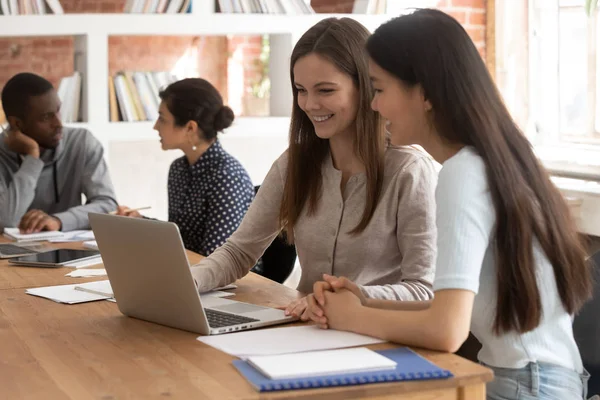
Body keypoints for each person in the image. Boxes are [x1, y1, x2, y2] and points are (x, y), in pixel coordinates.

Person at [309, 9, 593, 400]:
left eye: (379, 89)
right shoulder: (496, 161)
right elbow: (453, 305)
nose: (373, 107)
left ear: (424, 93)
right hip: (542, 380)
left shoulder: (463, 173)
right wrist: (367, 298)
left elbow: (447, 330)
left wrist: (352, 317)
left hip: (526, 387)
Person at [190, 17, 438, 318]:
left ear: (367, 88)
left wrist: (340, 298)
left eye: (325, 90)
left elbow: (422, 289)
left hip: (381, 337)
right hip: (308, 332)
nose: (309, 104)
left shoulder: (410, 171)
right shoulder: (294, 163)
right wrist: (189, 280)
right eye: (301, 89)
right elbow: (239, 252)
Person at [116, 78, 254, 257]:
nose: (155, 126)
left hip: (228, 281)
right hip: (191, 273)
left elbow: (217, 259)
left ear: (190, 128)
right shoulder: (178, 169)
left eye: (162, 119)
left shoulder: (227, 177)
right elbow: (181, 237)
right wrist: (139, 221)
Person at [0, 72, 117, 232]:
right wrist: (32, 157)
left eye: (58, 110)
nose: (59, 124)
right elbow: (4, 221)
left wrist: (59, 221)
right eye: (46, 117)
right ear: (17, 124)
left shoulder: (81, 142)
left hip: (71, 252)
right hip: (12, 256)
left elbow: (107, 204)